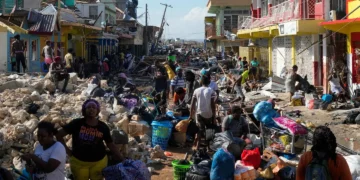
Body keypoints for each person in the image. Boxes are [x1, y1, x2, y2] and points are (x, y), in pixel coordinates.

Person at [56, 99, 124, 180]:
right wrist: (68, 151)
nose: (91, 109)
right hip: (79, 163)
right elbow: (59, 135)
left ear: (97, 111)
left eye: (94, 107)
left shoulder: (103, 126)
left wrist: (121, 158)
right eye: (89, 107)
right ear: (84, 110)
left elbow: (110, 144)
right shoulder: (76, 123)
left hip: (99, 162)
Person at [190, 75, 217, 150]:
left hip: (199, 114)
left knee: (199, 130)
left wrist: (190, 115)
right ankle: (208, 147)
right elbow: (213, 105)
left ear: (201, 82)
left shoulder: (196, 90)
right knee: (209, 131)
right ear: (209, 82)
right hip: (209, 114)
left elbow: (192, 104)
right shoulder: (211, 91)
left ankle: (197, 147)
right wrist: (214, 117)